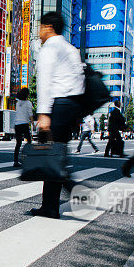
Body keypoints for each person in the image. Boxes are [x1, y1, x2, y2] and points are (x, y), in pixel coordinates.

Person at [30, 11, 85, 219]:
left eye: (40, 27)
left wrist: (43, 113)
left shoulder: (50, 48)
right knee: (55, 154)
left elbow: (44, 82)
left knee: (51, 156)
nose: (39, 32)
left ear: (48, 27)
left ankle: (72, 190)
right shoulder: (71, 49)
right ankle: (50, 206)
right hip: (71, 106)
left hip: (57, 105)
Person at [13, 87, 33, 166]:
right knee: (29, 142)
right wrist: (33, 124)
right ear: (27, 94)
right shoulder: (28, 103)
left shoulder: (18, 103)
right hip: (24, 124)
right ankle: (27, 157)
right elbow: (30, 114)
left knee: (18, 143)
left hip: (17, 124)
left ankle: (15, 161)